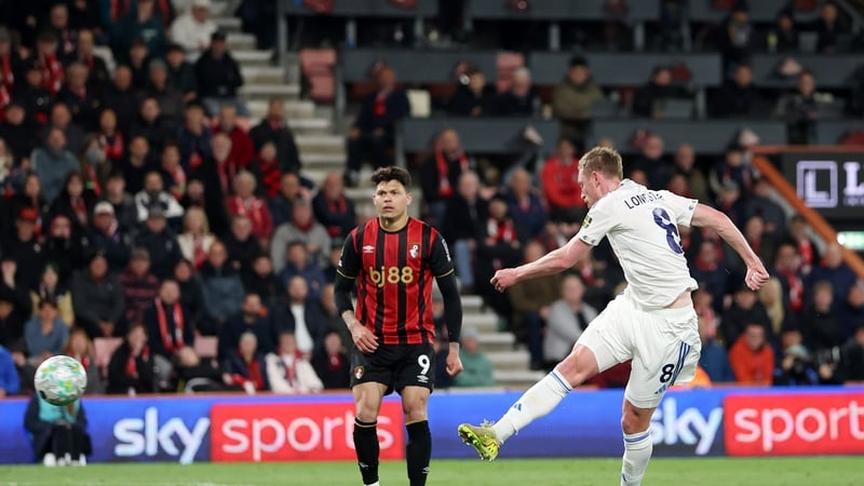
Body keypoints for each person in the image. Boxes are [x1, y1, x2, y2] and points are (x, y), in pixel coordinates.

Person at [457, 146, 768, 486]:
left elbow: (567, 258)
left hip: (671, 327)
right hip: (633, 306)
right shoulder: (656, 196)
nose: (581, 194)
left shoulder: (610, 204)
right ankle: (497, 434)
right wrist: (751, 260)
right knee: (573, 366)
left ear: (596, 177)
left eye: (582, 185)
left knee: (633, 421)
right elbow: (718, 218)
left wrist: (517, 273)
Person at [334, 167, 463, 486]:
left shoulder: (429, 238)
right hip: (371, 343)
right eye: (381, 193)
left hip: (415, 341)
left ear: (408, 198)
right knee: (365, 410)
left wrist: (454, 347)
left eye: (394, 192)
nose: (387, 198)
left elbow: (451, 294)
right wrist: (354, 326)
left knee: (415, 407)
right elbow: (340, 290)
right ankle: (372, 484)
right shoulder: (359, 238)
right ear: (373, 200)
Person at [24, 393, 91, 466]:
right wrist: (53, 426)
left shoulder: (74, 399)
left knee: (74, 429)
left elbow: (82, 423)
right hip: (48, 443)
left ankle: (75, 458)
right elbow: (30, 423)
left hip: (72, 441)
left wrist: (68, 426)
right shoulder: (39, 398)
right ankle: (58, 457)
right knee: (60, 429)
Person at [106, 323, 156, 394]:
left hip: (142, 393)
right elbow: (114, 376)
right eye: (134, 334)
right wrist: (134, 380)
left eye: (139, 336)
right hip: (121, 392)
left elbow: (148, 380)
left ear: (145, 338)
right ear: (128, 336)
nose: (136, 338)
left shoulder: (148, 353)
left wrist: (137, 355)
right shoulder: (120, 351)